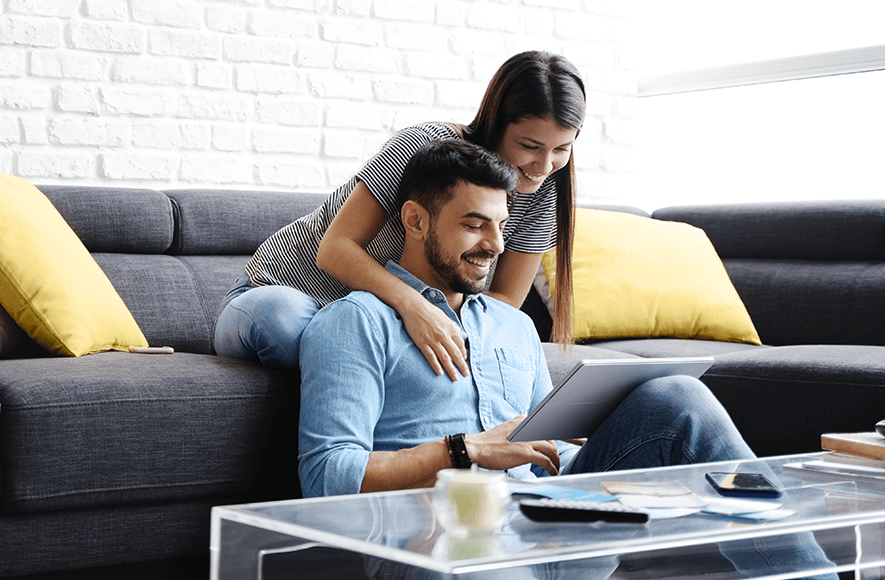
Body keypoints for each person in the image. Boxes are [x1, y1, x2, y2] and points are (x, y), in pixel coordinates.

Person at [297, 140, 837, 580]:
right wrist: (464, 451)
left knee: (679, 397)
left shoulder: (512, 324)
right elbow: (326, 476)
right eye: (473, 224)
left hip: (556, 521)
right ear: (415, 220)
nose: (494, 244)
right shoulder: (356, 321)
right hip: (446, 539)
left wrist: (594, 432)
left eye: (502, 226)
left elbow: (547, 447)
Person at [214, 50, 584, 378]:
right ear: (496, 122)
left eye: (561, 149)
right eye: (529, 146)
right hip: (289, 294)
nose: (543, 164)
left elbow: (503, 302)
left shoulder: (543, 194)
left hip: (377, 326)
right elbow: (335, 249)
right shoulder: (422, 147)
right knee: (289, 326)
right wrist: (416, 309)